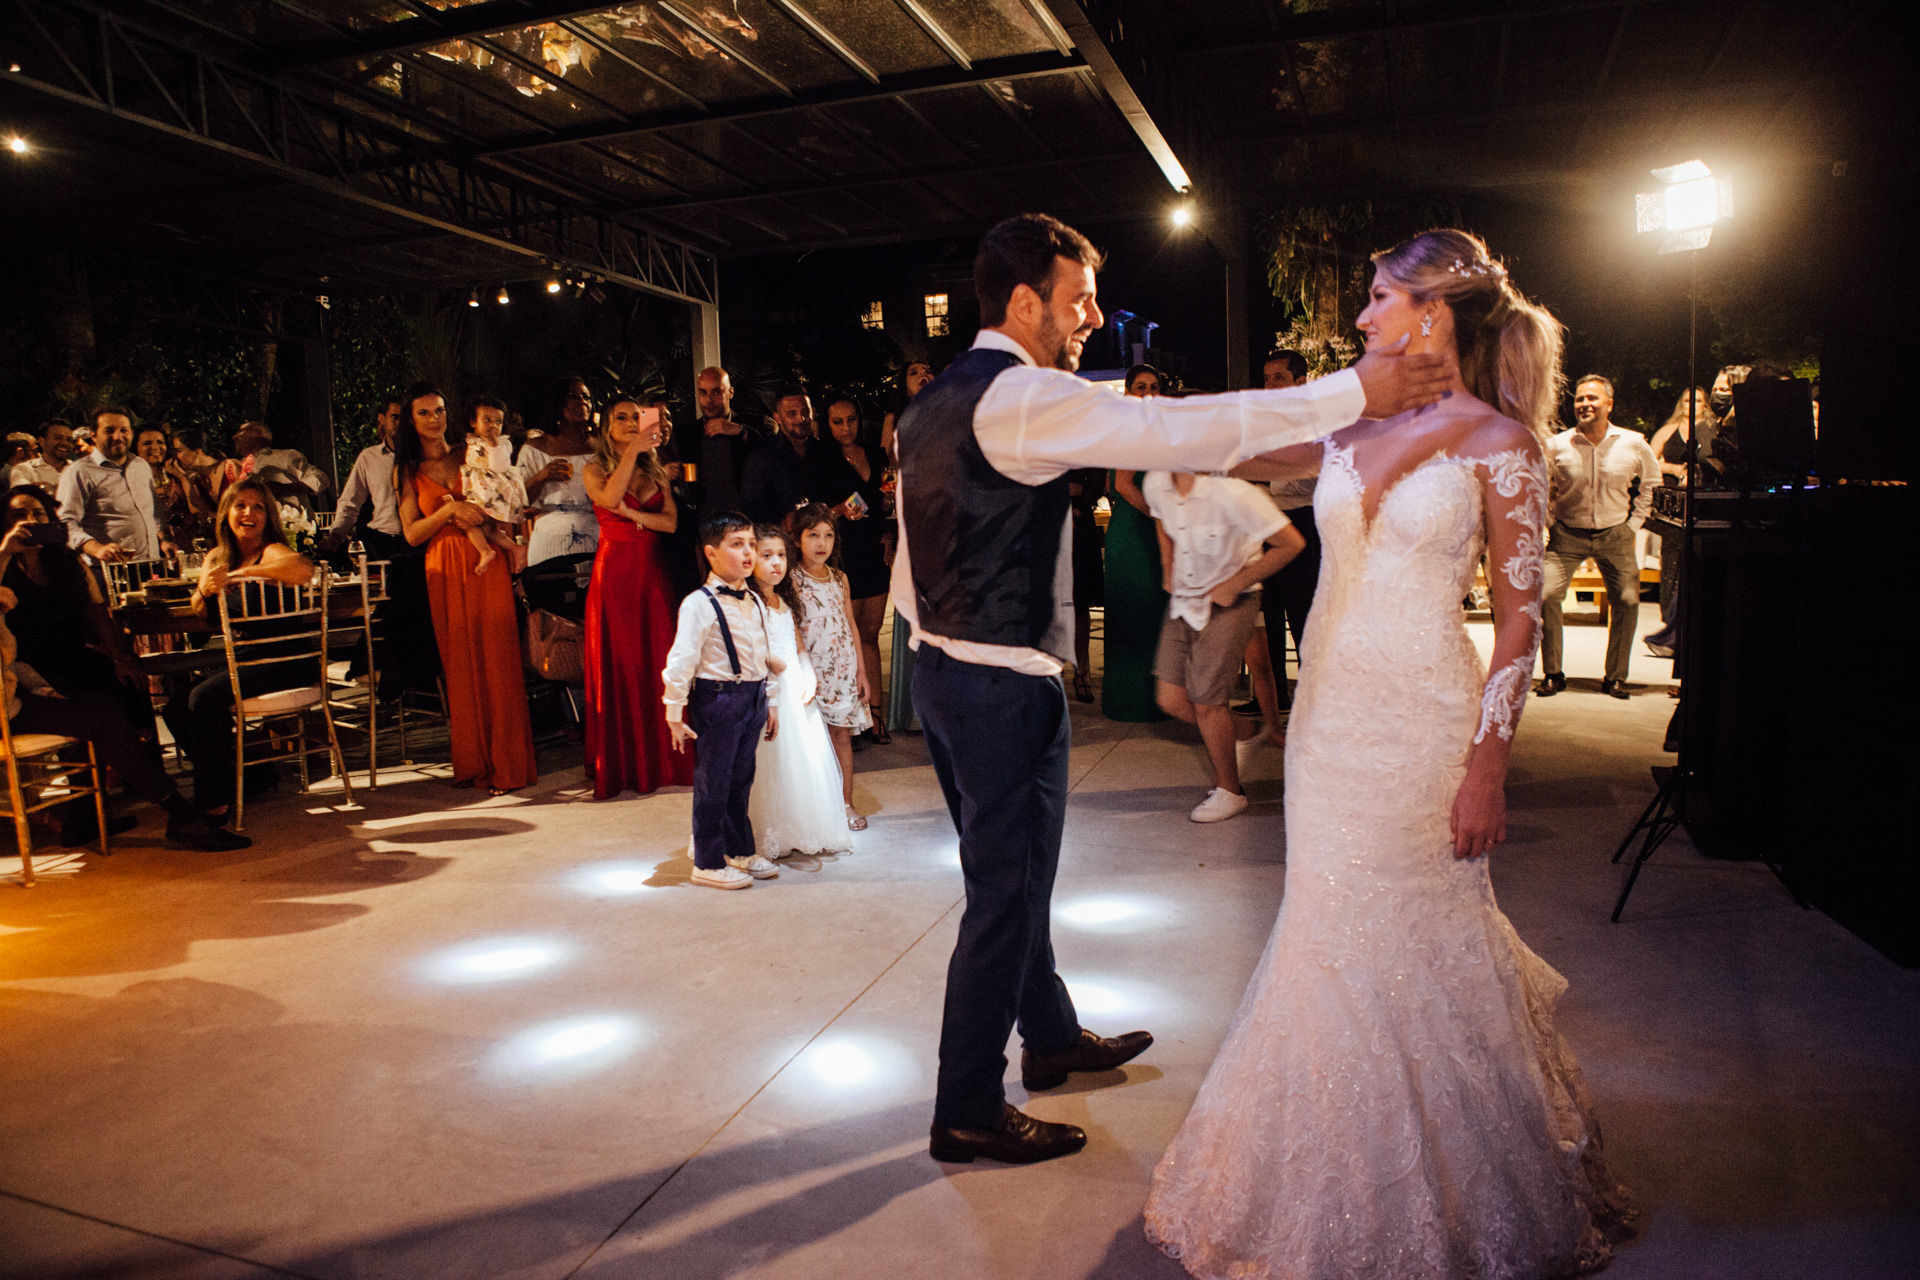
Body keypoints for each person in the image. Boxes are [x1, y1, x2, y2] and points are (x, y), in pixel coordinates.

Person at [893, 212, 1450, 1165]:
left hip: (951, 674)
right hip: (999, 691)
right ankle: (965, 1108)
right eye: (1079, 300)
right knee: (1003, 897)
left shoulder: (932, 402)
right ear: (1026, 303)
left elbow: (913, 556)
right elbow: (1172, 426)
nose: (1094, 318)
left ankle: (1053, 1036)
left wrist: (932, 645)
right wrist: (1354, 389)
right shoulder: (1021, 395)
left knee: (1016, 885)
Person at [1145, 228, 1633, 1276]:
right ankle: (1324, 1172)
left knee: (1417, 929)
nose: (1361, 317)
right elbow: (1229, 452)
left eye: (1377, 298)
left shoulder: (1503, 444)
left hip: (1422, 719)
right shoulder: (1352, 423)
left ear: (1432, 312)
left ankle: (1460, 1182)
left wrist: (1488, 762)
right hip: (1327, 725)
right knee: (1325, 929)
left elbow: (1516, 623)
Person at [1, 485, 248, 851]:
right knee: (105, 714)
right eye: (20, 515)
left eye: (38, 514)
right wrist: (6, 551)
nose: (31, 523)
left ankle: (101, 805)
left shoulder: (66, 562)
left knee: (129, 686)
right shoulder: (4, 565)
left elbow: (97, 612)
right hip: (24, 674)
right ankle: (174, 810)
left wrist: (119, 657)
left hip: (71, 656)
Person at [396, 382, 537, 795]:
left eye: (439, 410)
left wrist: (513, 541)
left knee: (498, 659)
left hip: (485, 562)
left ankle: (509, 765)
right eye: (424, 413)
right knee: (462, 665)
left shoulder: (470, 452)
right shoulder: (406, 469)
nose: (434, 418)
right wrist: (449, 511)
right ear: (411, 420)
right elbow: (411, 534)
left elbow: (506, 497)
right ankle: (476, 763)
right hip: (444, 567)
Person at [1144, 470, 1303, 822]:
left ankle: (1231, 792)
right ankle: (1244, 730)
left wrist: (1238, 581)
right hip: (1184, 599)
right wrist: (1167, 563)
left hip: (1233, 600)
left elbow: (1291, 543)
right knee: (1169, 698)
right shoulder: (1155, 481)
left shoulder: (1234, 492)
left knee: (1206, 700)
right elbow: (1160, 517)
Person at [162, 477, 317, 827]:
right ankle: (246, 777)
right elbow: (200, 609)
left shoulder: (272, 548)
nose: (250, 513)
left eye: (259, 506)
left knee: (203, 699)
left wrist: (244, 573)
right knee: (175, 706)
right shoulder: (218, 556)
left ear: (268, 515)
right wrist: (203, 589)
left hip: (287, 660)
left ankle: (214, 804)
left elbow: (303, 569)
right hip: (247, 661)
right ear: (226, 514)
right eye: (241, 506)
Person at [662, 512, 781, 890]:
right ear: (711, 553)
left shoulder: (755, 599)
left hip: (752, 697)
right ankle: (708, 862)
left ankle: (740, 850)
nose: (748, 552)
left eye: (750, 543)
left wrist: (771, 698)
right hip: (719, 698)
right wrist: (674, 710)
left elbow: (764, 652)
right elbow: (681, 659)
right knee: (714, 780)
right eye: (737, 544)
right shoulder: (698, 603)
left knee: (741, 779)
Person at [581, 394, 692, 799]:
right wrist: (631, 452)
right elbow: (609, 498)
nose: (630, 423)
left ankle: (666, 758)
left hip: (651, 573)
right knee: (623, 663)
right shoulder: (593, 469)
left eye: (635, 417)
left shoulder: (657, 471)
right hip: (615, 576)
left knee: (659, 659)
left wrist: (635, 517)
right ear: (607, 427)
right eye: (621, 418)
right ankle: (625, 764)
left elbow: (670, 523)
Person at [1537, 374, 1660, 700]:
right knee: (1547, 595)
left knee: (1628, 601)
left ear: (1609, 404)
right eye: (1580, 399)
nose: (1585, 404)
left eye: (1592, 398)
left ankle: (1615, 677)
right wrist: (1550, 520)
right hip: (1567, 534)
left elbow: (1652, 481)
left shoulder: (1632, 442)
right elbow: (1540, 483)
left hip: (1615, 534)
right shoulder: (1558, 444)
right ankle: (1553, 673)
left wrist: (1634, 524)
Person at [746, 524, 850, 861]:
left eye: (780, 555)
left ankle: (803, 827)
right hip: (770, 690)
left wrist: (808, 672)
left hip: (796, 690)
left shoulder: (781, 598)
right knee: (773, 762)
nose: (776, 563)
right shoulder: (750, 601)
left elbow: (797, 641)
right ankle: (770, 829)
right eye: (767, 556)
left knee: (804, 760)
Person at [326, 394, 440, 699]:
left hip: (419, 541)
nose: (400, 424)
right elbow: (351, 501)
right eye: (394, 417)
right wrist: (336, 534)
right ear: (382, 420)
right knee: (390, 608)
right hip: (384, 543)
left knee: (409, 610)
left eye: (404, 418)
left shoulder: (423, 456)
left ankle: (407, 681)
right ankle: (394, 678)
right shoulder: (369, 457)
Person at [788, 502, 871, 830]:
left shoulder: (840, 579)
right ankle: (812, 809)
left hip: (843, 669)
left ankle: (845, 803)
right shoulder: (792, 579)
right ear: (797, 540)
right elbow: (794, 626)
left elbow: (851, 625)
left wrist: (861, 671)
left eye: (828, 535)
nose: (821, 543)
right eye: (813, 536)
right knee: (810, 740)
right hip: (812, 671)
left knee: (841, 737)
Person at [812, 395, 891, 739]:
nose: (845, 428)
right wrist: (839, 511)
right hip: (842, 554)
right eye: (837, 421)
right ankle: (848, 718)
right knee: (847, 641)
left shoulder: (874, 454)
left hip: (874, 550)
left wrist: (889, 535)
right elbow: (812, 516)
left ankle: (876, 714)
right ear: (827, 425)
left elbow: (887, 501)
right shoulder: (821, 460)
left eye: (851, 420)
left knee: (871, 634)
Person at [1100, 364, 1170, 722]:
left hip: (1143, 530)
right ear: (1127, 393)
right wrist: (1161, 513)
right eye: (1140, 387)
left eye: (1155, 387)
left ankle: (1155, 699)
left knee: (1150, 614)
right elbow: (1124, 485)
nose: (1148, 393)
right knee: (1136, 614)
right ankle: (1132, 703)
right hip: (1134, 531)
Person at [885, 360, 935, 734]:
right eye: (913, 371)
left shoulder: (948, 412)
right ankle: (912, 709)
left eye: (927, 369)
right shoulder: (897, 419)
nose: (922, 374)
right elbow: (894, 464)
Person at [57, 406, 165, 564]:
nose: (118, 436)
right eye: (109, 430)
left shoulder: (141, 465)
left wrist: (164, 540)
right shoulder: (79, 471)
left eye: (124, 430)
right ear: (93, 435)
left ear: (131, 434)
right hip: (107, 569)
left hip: (150, 566)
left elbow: (153, 513)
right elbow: (65, 523)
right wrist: (97, 549)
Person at [519, 376, 600, 568]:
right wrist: (542, 477)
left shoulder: (603, 448)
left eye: (586, 397)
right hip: (551, 539)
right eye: (573, 396)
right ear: (558, 403)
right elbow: (520, 502)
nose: (582, 402)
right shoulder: (534, 449)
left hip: (597, 536)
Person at [457, 395, 526, 576]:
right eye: (487, 420)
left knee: (467, 521)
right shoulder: (472, 441)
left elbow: (499, 466)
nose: (493, 426)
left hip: (493, 494)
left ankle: (485, 551)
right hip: (481, 492)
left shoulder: (503, 443)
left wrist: (493, 445)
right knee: (487, 528)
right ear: (473, 422)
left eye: (498, 422)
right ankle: (514, 548)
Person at [741, 387, 822, 524]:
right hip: (781, 541)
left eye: (805, 412)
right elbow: (751, 510)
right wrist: (783, 522)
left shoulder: (824, 451)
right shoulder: (762, 457)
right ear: (777, 417)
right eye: (792, 414)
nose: (801, 419)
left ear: (813, 412)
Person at [693, 366, 756, 519]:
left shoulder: (751, 425)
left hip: (746, 519)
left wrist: (740, 431)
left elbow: (769, 443)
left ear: (731, 392)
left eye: (716, 392)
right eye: (703, 392)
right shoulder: (687, 433)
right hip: (703, 523)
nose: (709, 399)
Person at [11, 420, 74, 490]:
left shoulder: (79, 470)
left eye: (69, 440)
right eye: (58, 438)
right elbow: (24, 497)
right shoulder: (25, 470)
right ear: (42, 441)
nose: (64, 443)